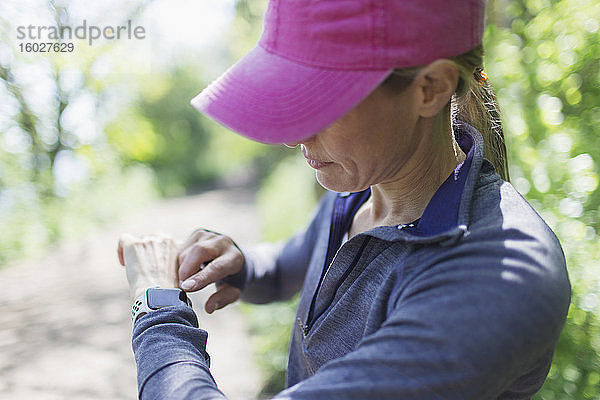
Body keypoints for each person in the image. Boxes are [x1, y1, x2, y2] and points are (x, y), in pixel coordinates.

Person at [117, 0, 571, 398]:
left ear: (430, 88)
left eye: (321, 102)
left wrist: (157, 305)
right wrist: (245, 265)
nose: (295, 134)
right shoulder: (362, 191)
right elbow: (294, 261)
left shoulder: (496, 275)